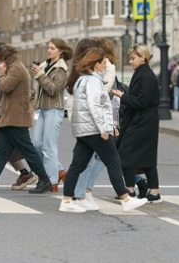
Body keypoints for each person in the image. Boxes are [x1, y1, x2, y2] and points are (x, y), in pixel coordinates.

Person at [59, 47, 148, 213]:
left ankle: (67, 200)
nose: (106, 65)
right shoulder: (92, 81)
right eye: (104, 62)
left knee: (77, 165)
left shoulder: (82, 80)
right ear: (97, 63)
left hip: (84, 130)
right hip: (94, 130)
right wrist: (104, 128)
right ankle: (125, 198)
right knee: (113, 161)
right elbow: (95, 107)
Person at [0, 44, 52, 194]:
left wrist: (0, 74)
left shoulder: (16, 68)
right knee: (0, 151)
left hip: (15, 119)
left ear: (3, 58)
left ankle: (44, 179)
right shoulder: (14, 66)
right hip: (10, 118)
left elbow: (6, 86)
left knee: (28, 150)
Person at [73, 37, 124, 209]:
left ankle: (79, 194)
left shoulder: (95, 71)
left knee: (88, 159)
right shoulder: (99, 73)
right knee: (101, 159)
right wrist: (107, 126)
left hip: (94, 121)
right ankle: (81, 193)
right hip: (95, 122)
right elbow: (102, 96)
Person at [0, 42, 35, 190]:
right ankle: (26, 174)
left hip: (3, 114)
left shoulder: (12, 69)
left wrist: (1, 74)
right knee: (6, 148)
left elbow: (7, 88)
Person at [110, 44, 162, 203]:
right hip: (142, 120)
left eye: (133, 58)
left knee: (125, 153)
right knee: (145, 157)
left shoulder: (146, 75)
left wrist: (122, 97)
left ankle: (131, 190)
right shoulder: (142, 73)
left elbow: (142, 101)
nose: (130, 61)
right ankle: (152, 191)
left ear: (143, 58)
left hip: (144, 120)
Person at [30, 38, 73, 191]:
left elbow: (53, 90)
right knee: (36, 145)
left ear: (60, 51)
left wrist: (41, 75)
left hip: (54, 110)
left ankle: (52, 181)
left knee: (49, 147)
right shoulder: (47, 65)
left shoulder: (61, 69)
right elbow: (41, 89)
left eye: (52, 48)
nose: (49, 51)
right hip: (43, 109)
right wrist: (29, 97)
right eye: (48, 48)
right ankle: (60, 170)